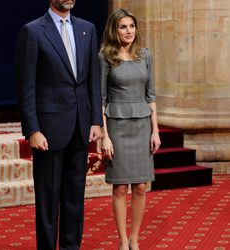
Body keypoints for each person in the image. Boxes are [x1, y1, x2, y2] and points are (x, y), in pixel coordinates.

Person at [15, 0, 102, 249]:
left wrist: (96, 119)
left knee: (75, 197)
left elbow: (92, 80)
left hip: (80, 126)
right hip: (48, 131)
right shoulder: (32, 31)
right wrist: (32, 129)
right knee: (48, 200)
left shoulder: (88, 28)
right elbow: (26, 86)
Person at [98, 8, 161, 250]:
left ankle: (135, 239)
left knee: (141, 186)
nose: (129, 31)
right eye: (123, 27)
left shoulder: (144, 55)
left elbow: (151, 95)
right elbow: (101, 99)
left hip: (142, 125)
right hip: (117, 126)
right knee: (120, 187)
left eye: (131, 26)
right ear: (114, 30)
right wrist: (105, 135)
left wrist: (155, 131)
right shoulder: (105, 56)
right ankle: (122, 241)